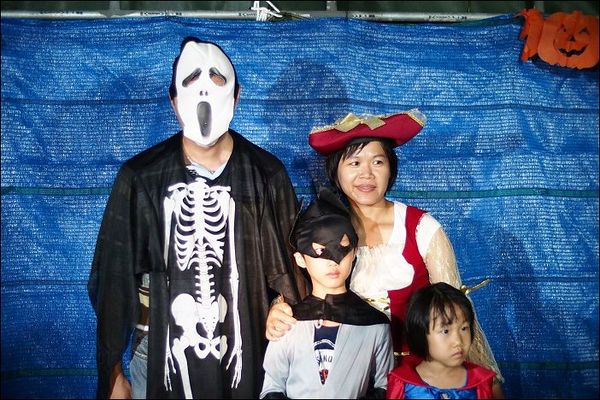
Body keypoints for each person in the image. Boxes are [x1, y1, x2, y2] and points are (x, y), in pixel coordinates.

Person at [87, 36, 308, 399]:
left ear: (237, 97)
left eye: (218, 84)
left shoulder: (266, 174)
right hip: (157, 348)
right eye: (191, 85)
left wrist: (280, 308)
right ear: (174, 101)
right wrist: (112, 373)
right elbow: (113, 277)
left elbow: (292, 271)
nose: (205, 96)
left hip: (248, 346)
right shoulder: (142, 177)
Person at [266, 110, 504, 398]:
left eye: (377, 162)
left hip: (418, 383)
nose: (366, 174)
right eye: (354, 162)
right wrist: (278, 309)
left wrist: (484, 381)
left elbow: (453, 310)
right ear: (335, 171)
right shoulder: (320, 233)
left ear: (391, 168)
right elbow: (298, 290)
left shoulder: (422, 228)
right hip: (345, 380)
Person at [260, 187, 394, 399]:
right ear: (300, 259)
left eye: (342, 248)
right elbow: (272, 386)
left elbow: (384, 386)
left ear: (354, 252)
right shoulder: (286, 323)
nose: (333, 261)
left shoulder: (375, 324)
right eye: (320, 251)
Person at [387, 282, 496, 399]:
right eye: (445, 331)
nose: (458, 341)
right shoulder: (403, 384)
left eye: (464, 328)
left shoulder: (481, 381)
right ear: (420, 333)